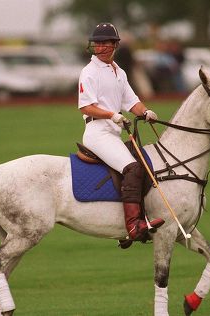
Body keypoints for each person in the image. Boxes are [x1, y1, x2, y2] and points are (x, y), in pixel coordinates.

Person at [78, 22, 165, 243]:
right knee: (133, 168)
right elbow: (86, 107)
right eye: (97, 43)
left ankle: (134, 219)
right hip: (98, 132)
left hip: (113, 132)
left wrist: (145, 112)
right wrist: (111, 115)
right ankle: (133, 226)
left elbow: (131, 101)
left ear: (115, 45)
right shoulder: (89, 72)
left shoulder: (119, 72)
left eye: (106, 43)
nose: (101, 47)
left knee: (144, 165)